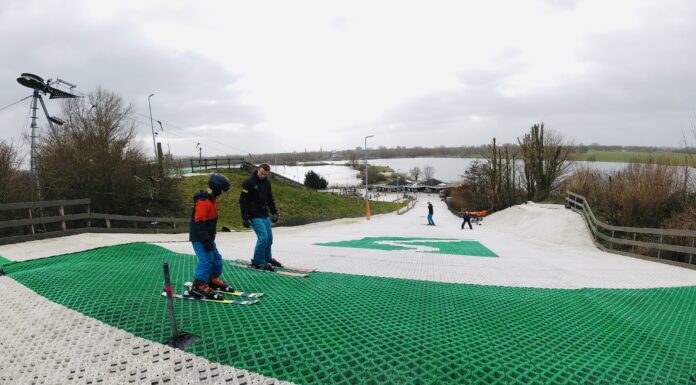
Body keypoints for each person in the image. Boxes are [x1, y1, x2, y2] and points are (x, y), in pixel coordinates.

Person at [189, 173, 233, 299]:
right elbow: (200, 223)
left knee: (216, 258)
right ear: (218, 190)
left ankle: (212, 279)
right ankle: (199, 285)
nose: (223, 194)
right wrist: (205, 240)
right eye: (223, 191)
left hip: (207, 238)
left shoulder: (211, 200)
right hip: (200, 238)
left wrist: (209, 239)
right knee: (206, 260)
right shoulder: (203, 202)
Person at [239, 163, 281, 271]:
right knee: (263, 238)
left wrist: (275, 212)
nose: (262, 175)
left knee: (269, 238)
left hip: (264, 215)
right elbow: (243, 201)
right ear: (258, 170)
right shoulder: (248, 183)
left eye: (265, 174)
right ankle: (257, 260)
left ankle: (267, 258)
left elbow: (270, 199)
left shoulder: (267, 183)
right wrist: (245, 217)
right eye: (261, 173)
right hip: (254, 216)